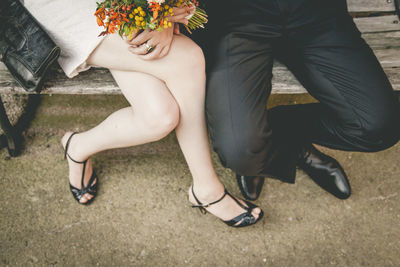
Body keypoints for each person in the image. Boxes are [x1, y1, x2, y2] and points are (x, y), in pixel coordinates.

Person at [23, 0, 263, 227]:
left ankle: (76, 147)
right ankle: (207, 188)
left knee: (159, 118)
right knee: (186, 59)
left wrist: (165, 10)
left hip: (121, 9)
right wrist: (159, 14)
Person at [188, 0, 400, 201]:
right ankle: (275, 147)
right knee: (239, 151)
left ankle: (277, 133)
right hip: (235, 17)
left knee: (379, 127)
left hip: (315, 12)